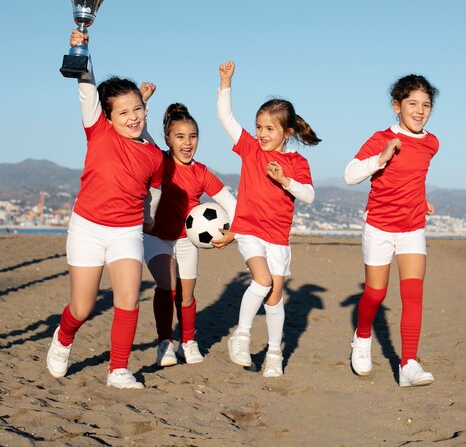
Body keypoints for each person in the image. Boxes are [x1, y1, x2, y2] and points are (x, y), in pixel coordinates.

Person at [46, 29, 163, 389]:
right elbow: (86, 85)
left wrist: (149, 216)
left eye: (138, 110)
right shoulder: (98, 131)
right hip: (87, 229)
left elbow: (155, 190)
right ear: (108, 116)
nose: (133, 117)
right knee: (82, 308)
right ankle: (63, 339)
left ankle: (118, 370)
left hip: (126, 232)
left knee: (128, 299)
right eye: (124, 112)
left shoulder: (154, 154)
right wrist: (81, 47)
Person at [217, 61, 320, 378]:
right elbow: (226, 117)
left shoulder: (297, 161)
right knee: (261, 281)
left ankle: (274, 353)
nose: (261, 134)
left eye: (269, 129)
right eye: (259, 126)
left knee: (274, 298)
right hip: (248, 230)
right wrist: (225, 82)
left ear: (287, 132)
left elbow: (309, 195)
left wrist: (285, 181)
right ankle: (242, 336)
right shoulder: (250, 149)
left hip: (278, 238)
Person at [344, 74, 439, 387]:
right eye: (413, 103)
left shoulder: (431, 143)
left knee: (413, 295)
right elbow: (350, 175)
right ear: (397, 106)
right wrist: (381, 158)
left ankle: (408, 363)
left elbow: (413, 176)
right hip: (379, 227)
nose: (420, 110)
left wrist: (421, 199)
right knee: (375, 293)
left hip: (412, 227)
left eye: (426, 105)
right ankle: (361, 338)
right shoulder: (380, 137)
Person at [142, 101, 237, 368]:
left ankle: (187, 341)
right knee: (167, 285)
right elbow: (141, 135)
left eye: (193, 137)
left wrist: (233, 234)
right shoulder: (159, 160)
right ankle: (164, 342)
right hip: (155, 237)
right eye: (180, 137)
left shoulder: (202, 173)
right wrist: (145, 104)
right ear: (168, 139)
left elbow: (232, 205)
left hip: (186, 240)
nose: (187, 143)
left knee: (187, 295)